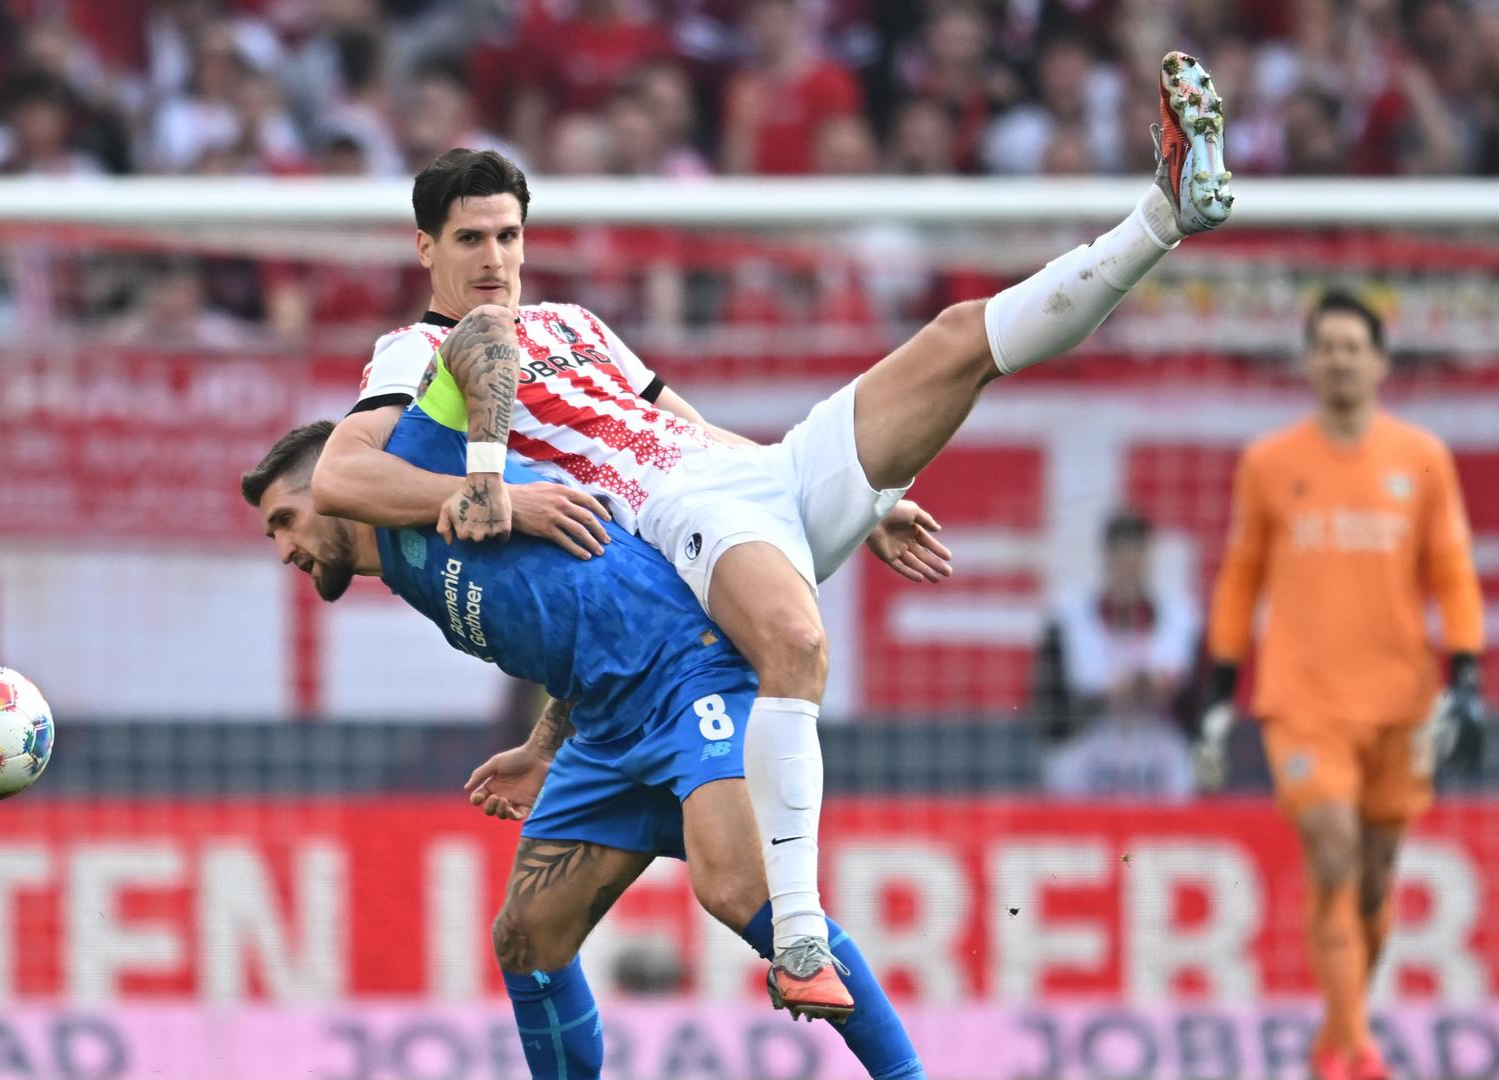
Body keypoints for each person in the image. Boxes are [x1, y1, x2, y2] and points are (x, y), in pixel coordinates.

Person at [312, 50, 1235, 1016]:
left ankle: (1164, 214)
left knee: (961, 339)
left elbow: (688, 425)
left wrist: (868, 501)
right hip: (677, 513)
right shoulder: (416, 350)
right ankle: (798, 939)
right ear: (427, 250)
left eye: (508, 236)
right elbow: (347, 472)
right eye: (470, 240)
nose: (494, 260)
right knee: (795, 645)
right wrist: (482, 489)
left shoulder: (576, 322)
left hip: (753, 476)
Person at [241, 414, 938, 1079]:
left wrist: (497, 485)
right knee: (526, 938)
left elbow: (480, 336)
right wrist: (544, 746)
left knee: (739, 892)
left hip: (686, 673)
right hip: (605, 724)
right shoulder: (403, 561)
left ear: (333, 483)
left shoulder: (427, 452)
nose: (283, 550)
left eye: (286, 519)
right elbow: (571, 621)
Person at [1193, 291, 1488, 1080]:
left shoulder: (1422, 459)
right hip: (1303, 700)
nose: (1340, 359)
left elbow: (1454, 574)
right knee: (1332, 855)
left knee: (1375, 876)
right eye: (1326, 345)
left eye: (1354, 346)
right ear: (1306, 360)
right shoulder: (1270, 463)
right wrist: (1219, 694)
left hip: (1400, 700)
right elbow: (1240, 581)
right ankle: (1356, 1053)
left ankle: (1339, 1030)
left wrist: (1466, 673)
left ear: (1381, 360)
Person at [1038, 509, 1199, 801]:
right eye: (1121, 558)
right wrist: (1105, 697)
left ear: (1148, 560)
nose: (1128, 568)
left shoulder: (1181, 622)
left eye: (1136, 558)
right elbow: (1048, 718)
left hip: (1159, 767)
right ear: (1107, 559)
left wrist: (1169, 694)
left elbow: (1201, 716)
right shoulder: (1069, 623)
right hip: (1088, 769)